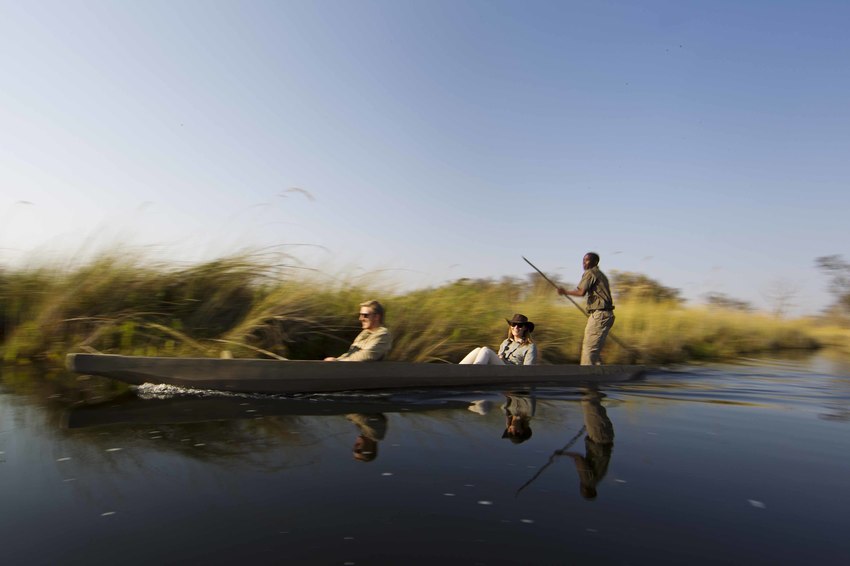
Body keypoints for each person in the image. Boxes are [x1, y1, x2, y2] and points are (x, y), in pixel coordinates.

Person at [558, 252, 615, 365]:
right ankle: (598, 374)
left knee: (589, 349)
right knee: (595, 350)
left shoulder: (590, 273)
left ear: (595, 262)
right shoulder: (601, 274)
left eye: (587, 260)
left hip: (600, 315)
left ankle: (586, 379)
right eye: (583, 261)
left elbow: (581, 292)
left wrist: (565, 292)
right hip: (606, 315)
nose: (584, 263)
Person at [562, 388, 615, 499]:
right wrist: (563, 454)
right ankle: (592, 380)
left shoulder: (599, 477)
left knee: (594, 404)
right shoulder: (588, 480)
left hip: (607, 437)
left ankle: (595, 383)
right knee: (589, 402)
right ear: (584, 489)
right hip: (599, 437)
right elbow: (578, 459)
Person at [325, 300, 392, 362]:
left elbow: (367, 355)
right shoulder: (364, 333)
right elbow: (351, 353)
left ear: (376, 317)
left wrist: (340, 362)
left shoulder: (383, 334)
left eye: (365, 315)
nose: (361, 318)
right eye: (360, 315)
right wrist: (336, 360)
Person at [459, 314, 538, 365]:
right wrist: (500, 358)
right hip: (499, 368)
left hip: (511, 372)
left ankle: (475, 371)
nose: (516, 327)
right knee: (478, 349)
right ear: (511, 326)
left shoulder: (530, 347)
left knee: (486, 350)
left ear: (525, 328)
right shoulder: (506, 342)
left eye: (520, 325)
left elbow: (527, 370)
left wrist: (503, 360)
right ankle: (458, 370)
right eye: (514, 324)